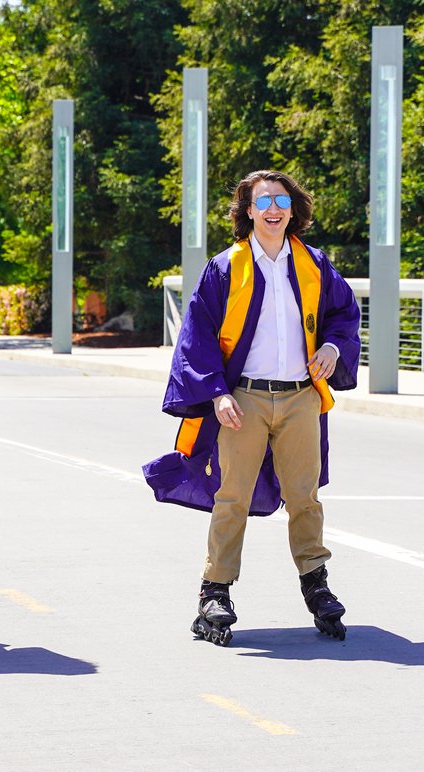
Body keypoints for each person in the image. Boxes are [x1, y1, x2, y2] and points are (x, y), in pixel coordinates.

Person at [143, 170, 361, 646]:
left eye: (281, 199)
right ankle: (214, 591)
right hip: (243, 398)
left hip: (302, 395)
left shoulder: (314, 264)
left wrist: (334, 348)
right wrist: (216, 392)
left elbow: (345, 315)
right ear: (246, 211)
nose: (273, 208)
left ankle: (316, 585)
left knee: (304, 496)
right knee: (232, 496)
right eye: (262, 201)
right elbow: (197, 336)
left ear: (292, 208)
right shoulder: (226, 267)